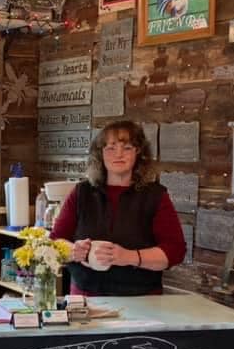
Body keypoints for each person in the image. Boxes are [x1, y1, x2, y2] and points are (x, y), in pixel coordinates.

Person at [51, 120, 186, 296]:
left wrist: (128, 257)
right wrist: (74, 251)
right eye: (111, 148)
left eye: (127, 147)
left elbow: (175, 251)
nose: (119, 154)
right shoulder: (81, 193)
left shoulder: (155, 196)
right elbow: (55, 241)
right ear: (100, 154)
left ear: (139, 153)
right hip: (85, 298)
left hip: (142, 301)